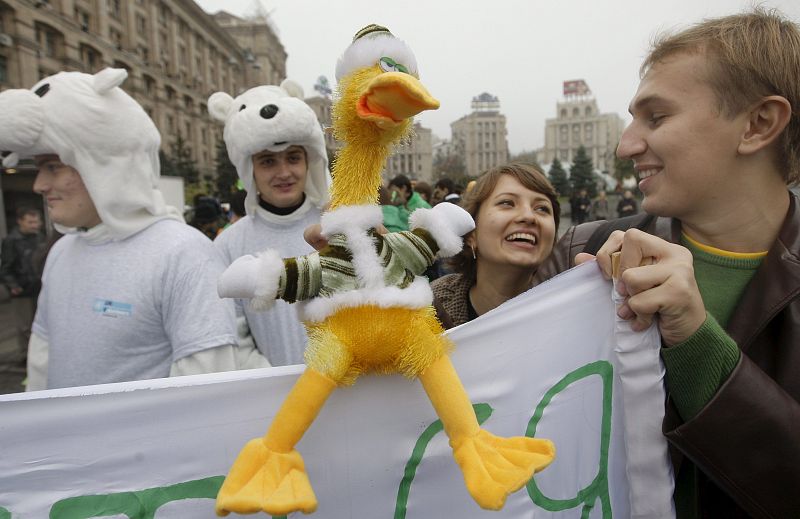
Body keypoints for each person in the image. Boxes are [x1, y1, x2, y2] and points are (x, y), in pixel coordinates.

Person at [534, 9, 800, 517]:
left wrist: (696, 342)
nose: (626, 144)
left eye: (656, 118)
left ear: (758, 124)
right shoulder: (580, 250)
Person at [0, 68, 238, 390]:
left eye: (53, 167)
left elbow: (206, 395)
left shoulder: (184, 253)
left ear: (101, 161)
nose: (40, 184)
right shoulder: (61, 251)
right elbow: (42, 362)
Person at [209, 80, 330, 367]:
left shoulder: (336, 222)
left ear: (308, 161)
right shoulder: (228, 244)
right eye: (268, 162)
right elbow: (234, 336)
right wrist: (272, 385)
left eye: (293, 158)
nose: (284, 172)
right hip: (277, 402)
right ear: (249, 169)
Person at [432, 163, 559, 328]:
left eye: (542, 208)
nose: (528, 216)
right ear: (471, 234)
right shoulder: (423, 313)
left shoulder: (577, 304)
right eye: (507, 203)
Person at [1, 206, 44, 363]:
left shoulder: (38, 237)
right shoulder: (11, 241)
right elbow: (5, 268)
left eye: (36, 221)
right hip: (22, 290)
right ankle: (25, 357)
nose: (35, 225)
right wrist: (13, 285)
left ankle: (37, 355)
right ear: (20, 222)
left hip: (38, 288)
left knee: (40, 323)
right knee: (25, 326)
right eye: (30, 222)